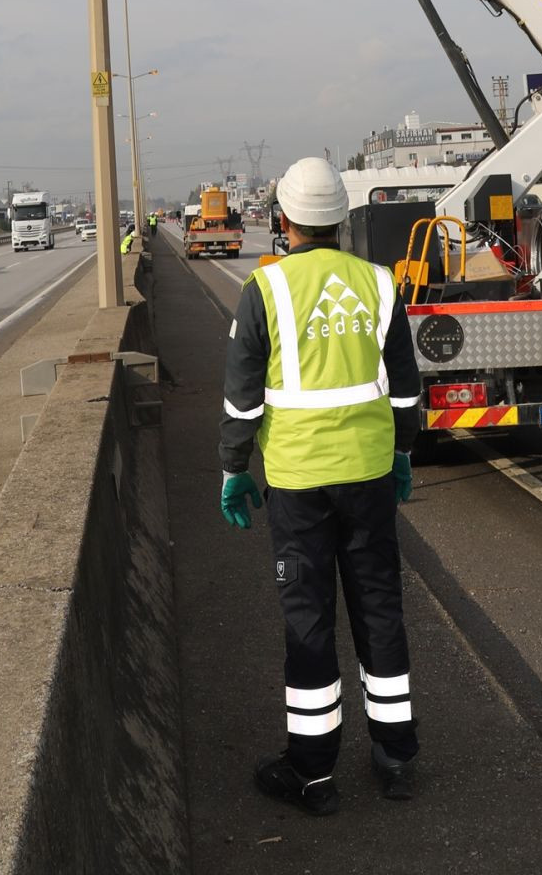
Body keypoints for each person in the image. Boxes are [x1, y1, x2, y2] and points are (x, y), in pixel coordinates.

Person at [219, 156, 422, 815]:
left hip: (299, 485)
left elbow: (243, 400)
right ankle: (396, 756)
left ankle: (311, 771)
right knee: (379, 611)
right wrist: (402, 453)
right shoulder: (379, 283)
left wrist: (232, 468)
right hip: (367, 477)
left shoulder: (266, 289)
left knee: (309, 622)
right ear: (341, 219)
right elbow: (406, 389)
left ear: (284, 220)